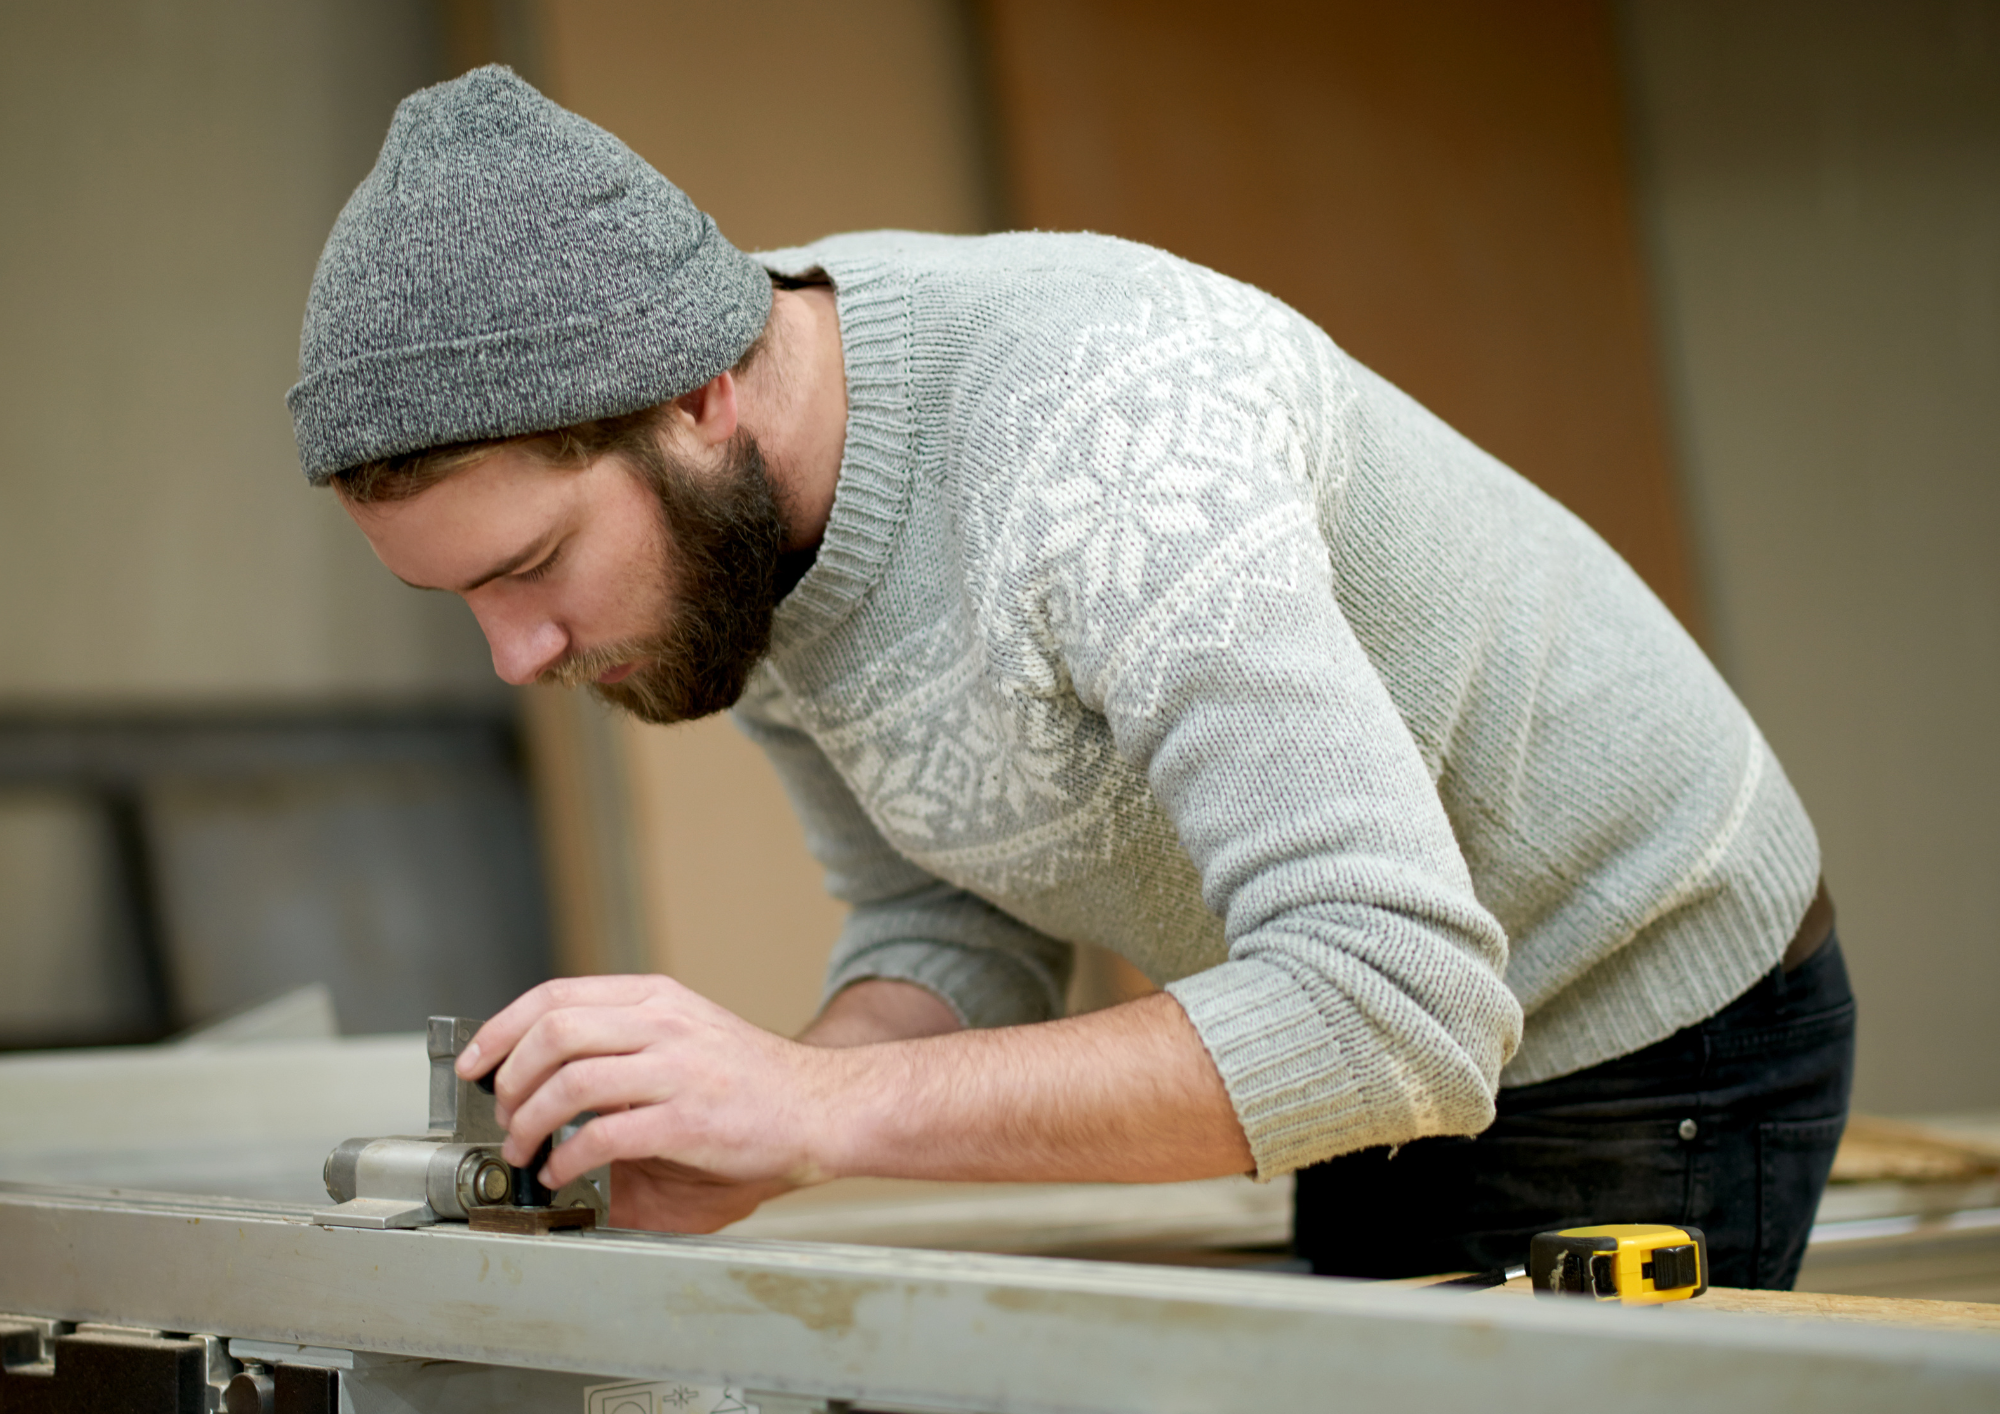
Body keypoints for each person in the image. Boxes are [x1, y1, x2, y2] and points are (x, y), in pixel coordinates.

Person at [288, 67, 1854, 1288]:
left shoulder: (1110, 433)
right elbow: (950, 914)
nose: (517, 655)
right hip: (1364, 1020)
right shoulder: (730, 533)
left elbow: (1396, 1005)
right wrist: (763, 1119)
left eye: (529, 566)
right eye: (461, 601)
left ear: (701, 402)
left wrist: (817, 1107)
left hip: (1628, 998)